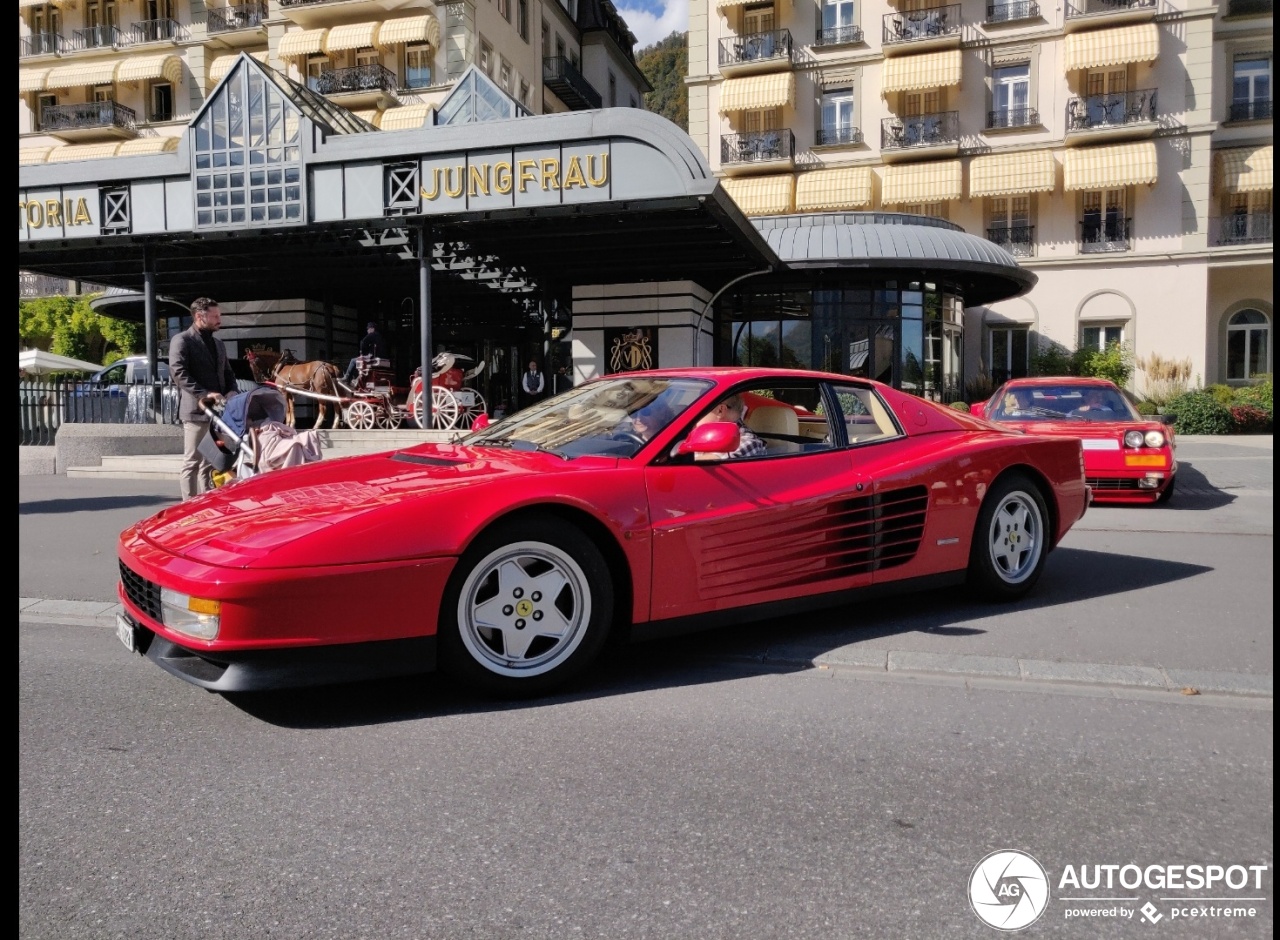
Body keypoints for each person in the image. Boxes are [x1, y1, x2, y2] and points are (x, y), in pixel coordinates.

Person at [170, 297, 239, 500]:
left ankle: (207, 504)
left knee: (211, 462)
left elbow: (228, 373)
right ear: (200, 316)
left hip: (218, 413)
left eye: (219, 315)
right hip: (196, 411)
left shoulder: (218, 344)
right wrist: (204, 394)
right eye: (215, 316)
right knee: (192, 461)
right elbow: (178, 372)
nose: (220, 319)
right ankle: (187, 507)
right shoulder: (182, 340)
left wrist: (232, 390)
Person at [694, 393, 766, 460]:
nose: (694, 413)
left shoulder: (748, 442)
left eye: (700, 407)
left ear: (720, 410)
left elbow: (712, 462)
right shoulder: (702, 434)